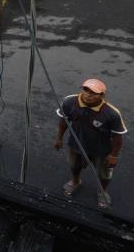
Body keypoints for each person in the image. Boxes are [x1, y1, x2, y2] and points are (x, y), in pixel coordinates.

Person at [54, 78, 127, 209]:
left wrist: (114, 155)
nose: (88, 94)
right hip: (76, 144)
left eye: (93, 92)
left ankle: (102, 191)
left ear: (102, 96)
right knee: (74, 165)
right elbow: (63, 121)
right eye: (86, 90)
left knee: (104, 174)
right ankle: (75, 182)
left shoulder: (111, 113)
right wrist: (59, 138)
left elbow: (117, 136)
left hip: (101, 150)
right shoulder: (70, 102)